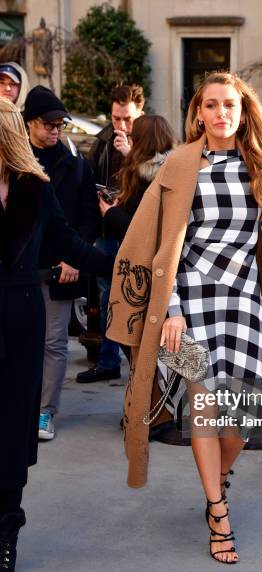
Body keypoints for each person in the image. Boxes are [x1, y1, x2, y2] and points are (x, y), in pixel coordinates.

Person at [106, 71, 262, 564]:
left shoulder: (261, 165)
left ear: (244, 114)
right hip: (191, 300)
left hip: (244, 302)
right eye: (212, 105)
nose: (222, 113)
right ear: (198, 112)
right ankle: (218, 510)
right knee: (202, 407)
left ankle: (216, 478)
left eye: (231, 106)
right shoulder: (180, 165)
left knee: (240, 416)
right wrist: (171, 309)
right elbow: (166, 246)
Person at [0, 97, 112, 572]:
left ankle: (6, 536)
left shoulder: (36, 190)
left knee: (9, 434)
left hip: (20, 318)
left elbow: (72, 245)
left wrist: (126, 265)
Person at [23, 85, 100, 440]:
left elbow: (89, 219)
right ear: (29, 123)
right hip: (21, 269)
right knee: (22, 339)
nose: (55, 130)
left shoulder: (76, 166)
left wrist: (74, 259)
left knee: (54, 341)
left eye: (59, 124)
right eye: (48, 124)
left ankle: (45, 411)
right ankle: (22, 405)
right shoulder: (16, 163)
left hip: (62, 269)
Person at [76, 85, 145, 384]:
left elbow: (157, 178)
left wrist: (130, 153)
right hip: (107, 227)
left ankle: (139, 368)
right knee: (107, 297)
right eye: (117, 118)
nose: (121, 125)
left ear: (140, 112)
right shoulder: (103, 140)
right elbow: (90, 178)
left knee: (135, 298)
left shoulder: (148, 138)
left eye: (127, 119)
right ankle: (107, 360)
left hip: (134, 227)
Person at [100, 115, 176, 242]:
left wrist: (111, 213)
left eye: (131, 138)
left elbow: (147, 231)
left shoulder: (148, 180)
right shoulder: (172, 172)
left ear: (138, 143)